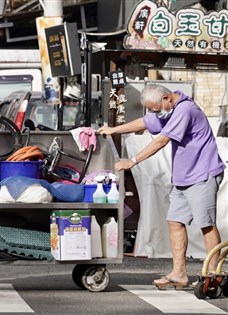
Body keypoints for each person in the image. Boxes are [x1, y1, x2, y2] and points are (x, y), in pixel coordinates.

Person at [98, 83, 225, 289]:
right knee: (175, 222)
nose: (153, 113)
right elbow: (145, 123)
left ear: (166, 98)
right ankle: (179, 274)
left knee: (206, 224)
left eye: (155, 108)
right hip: (183, 177)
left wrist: (133, 160)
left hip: (203, 174)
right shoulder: (168, 110)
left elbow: (162, 141)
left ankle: (213, 275)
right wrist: (114, 130)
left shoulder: (185, 110)